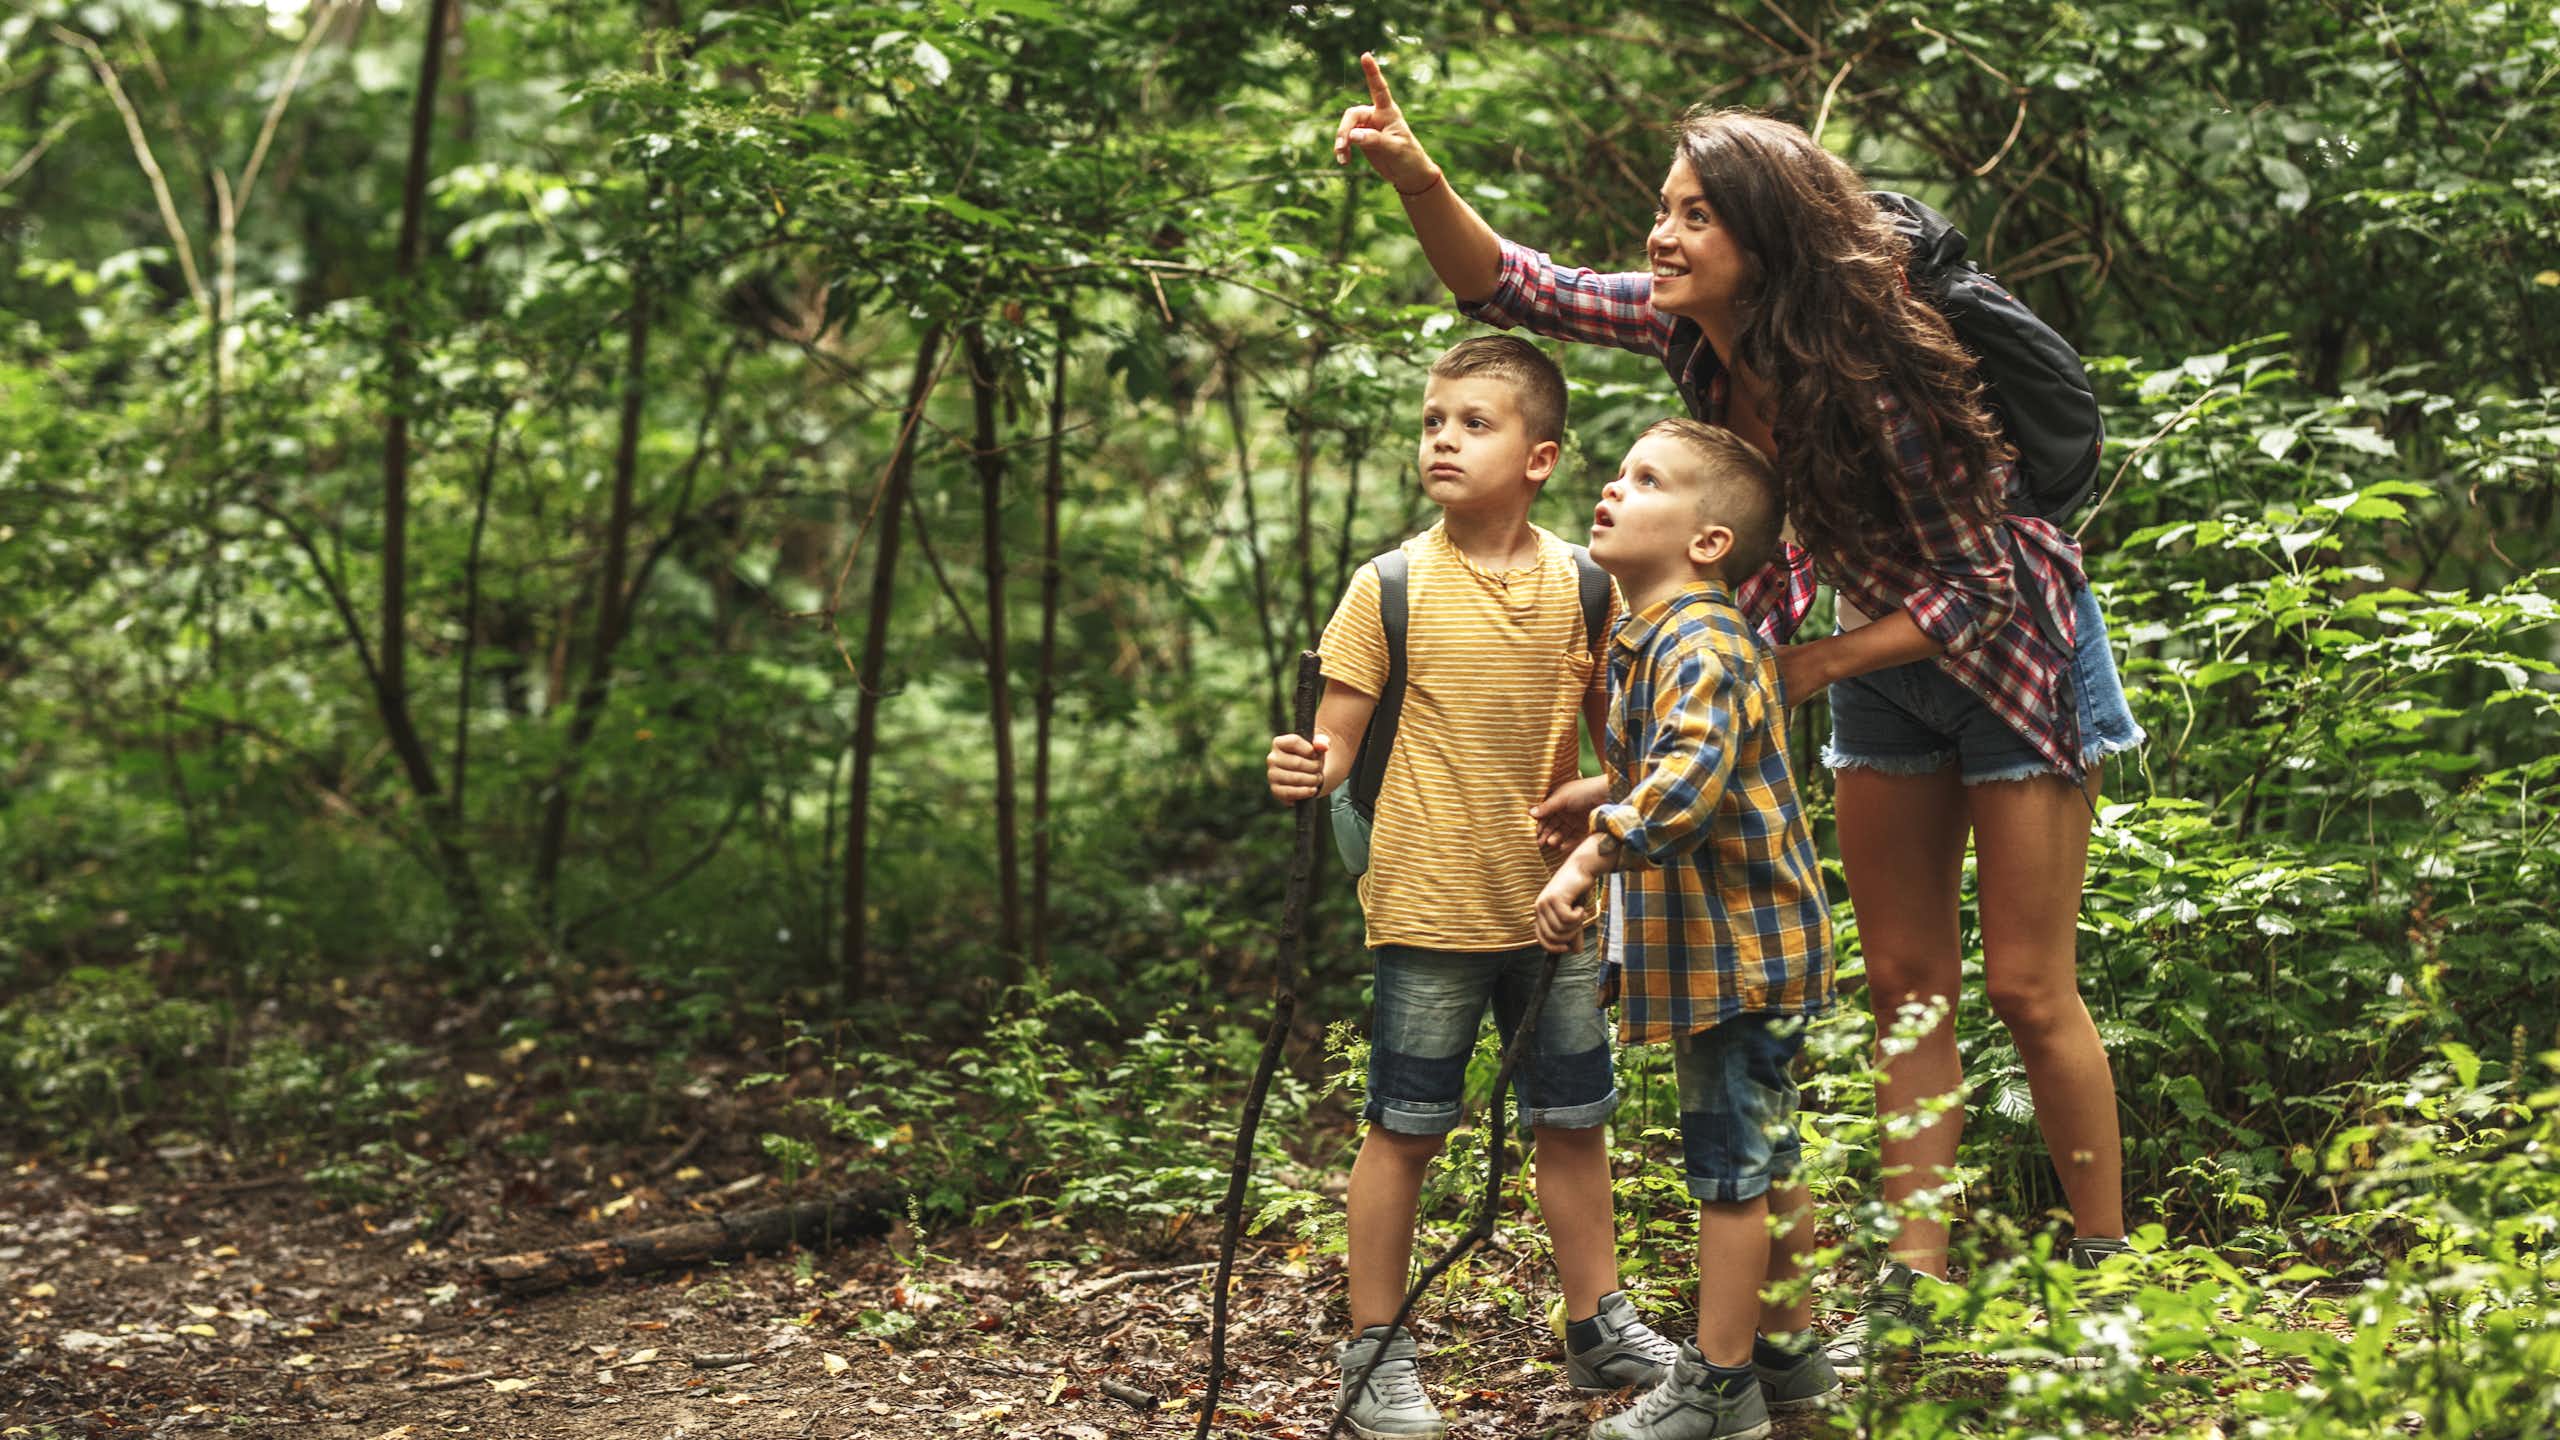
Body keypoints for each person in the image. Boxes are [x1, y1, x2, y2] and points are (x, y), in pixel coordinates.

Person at [1332, 53, 2147, 1373]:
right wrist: (1417, 172)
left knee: (2026, 988)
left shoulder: (1872, 367)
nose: (1662, 235)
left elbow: (1989, 581)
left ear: (1763, 240)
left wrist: (1812, 667)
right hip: (1873, 657)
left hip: (2019, 654)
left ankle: (2110, 1274)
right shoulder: (1690, 336)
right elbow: (1511, 284)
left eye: (1695, 216)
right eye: (1663, 209)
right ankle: (1913, 1292)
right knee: (1904, 986)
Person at [1264, 335, 1674, 1439]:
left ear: (1540, 457)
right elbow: (1333, 748)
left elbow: (1626, 752)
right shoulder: (1386, 586)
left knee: (1573, 1120)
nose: (1443, 438)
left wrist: (1594, 803)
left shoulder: (1590, 587)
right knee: (1404, 1126)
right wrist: (1300, 766)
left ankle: (1598, 1329)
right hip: (1426, 904)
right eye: (1433, 420)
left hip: (1556, 909)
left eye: (1473, 422)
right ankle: (1373, 1352)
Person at [1532, 419, 1838, 1440]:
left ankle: (1718, 1390)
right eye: (1617, 474)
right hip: (1734, 952)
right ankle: (1786, 1358)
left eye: (1646, 479)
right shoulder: (1658, 636)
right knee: (1765, 1156)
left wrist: (1589, 852)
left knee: (1728, 1171)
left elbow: (1683, 788)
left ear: (1707, 541)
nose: (1612, 490)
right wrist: (1594, 790)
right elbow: (1670, 763)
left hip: (1740, 956)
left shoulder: (1700, 640)